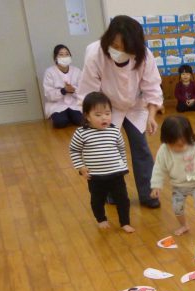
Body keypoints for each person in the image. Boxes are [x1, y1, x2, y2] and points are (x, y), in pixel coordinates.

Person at [78, 15, 163, 208]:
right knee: (108, 151)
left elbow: (152, 88)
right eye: (115, 46)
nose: (119, 51)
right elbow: (89, 91)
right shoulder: (94, 54)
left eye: (125, 48)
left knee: (141, 148)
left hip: (135, 106)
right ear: (108, 40)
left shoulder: (144, 55)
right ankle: (113, 194)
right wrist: (94, 118)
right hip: (105, 108)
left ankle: (148, 193)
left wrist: (151, 116)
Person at [69, 92, 134, 233]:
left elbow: (121, 149)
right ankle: (101, 219)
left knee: (123, 199)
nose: (104, 117)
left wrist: (124, 165)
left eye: (107, 113)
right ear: (87, 116)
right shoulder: (81, 133)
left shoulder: (115, 131)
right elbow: (74, 150)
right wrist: (80, 167)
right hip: (96, 176)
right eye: (98, 115)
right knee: (97, 200)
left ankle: (125, 222)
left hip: (116, 174)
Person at [150, 116, 195, 239]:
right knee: (176, 208)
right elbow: (158, 169)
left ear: (189, 137)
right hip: (178, 186)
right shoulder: (164, 151)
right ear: (166, 141)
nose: (179, 148)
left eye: (183, 144)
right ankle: (184, 225)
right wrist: (156, 186)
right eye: (174, 145)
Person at [43, 44, 83, 128]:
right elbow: (48, 94)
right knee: (60, 123)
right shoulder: (49, 72)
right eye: (61, 54)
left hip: (74, 102)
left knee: (81, 121)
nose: (64, 57)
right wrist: (63, 91)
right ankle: (64, 117)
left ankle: (72, 116)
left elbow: (82, 90)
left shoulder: (77, 71)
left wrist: (73, 90)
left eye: (67, 54)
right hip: (57, 104)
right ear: (55, 57)